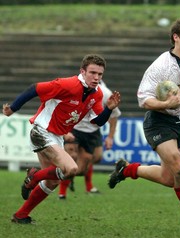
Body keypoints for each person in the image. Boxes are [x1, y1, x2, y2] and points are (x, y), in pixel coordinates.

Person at [107, 18, 180, 237]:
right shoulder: (161, 65)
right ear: (176, 37)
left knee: (170, 178)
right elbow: (143, 99)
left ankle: (127, 170)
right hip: (159, 120)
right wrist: (166, 104)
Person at [3, 54, 121, 224]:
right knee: (72, 169)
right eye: (92, 73)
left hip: (55, 137)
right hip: (42, 131)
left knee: (52, 182)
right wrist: (13, 108)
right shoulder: (67, 84)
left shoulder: (97, 94)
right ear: (82, 71)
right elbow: (34, 88)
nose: (96, 77)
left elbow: (97, 121)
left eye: (100, 74)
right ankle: (34, 177)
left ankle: (21, 215)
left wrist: (108, 109)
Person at [58, 79, 121, 199]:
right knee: (71, 156)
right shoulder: (74, 88)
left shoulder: (105, 93)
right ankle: (62, 192)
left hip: (92, 131)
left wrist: (110, 137)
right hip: (74, 128)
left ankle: (72, 177)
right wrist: (65, 131)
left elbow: (113, 115)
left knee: (90, 162)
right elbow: (62, 109)